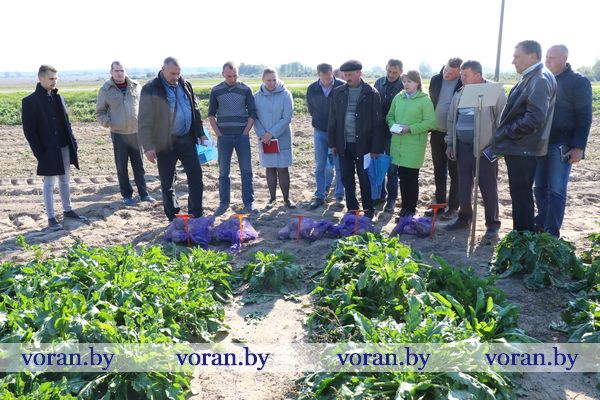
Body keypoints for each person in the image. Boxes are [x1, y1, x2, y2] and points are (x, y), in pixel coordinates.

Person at [493, 40, 557, 232]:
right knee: (521, 194)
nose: (513, 61)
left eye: (517, 56)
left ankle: (522, 235)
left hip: (523, 147)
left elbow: (535, 118)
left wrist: (508, 132)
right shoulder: (532, 77)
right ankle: (522, 233)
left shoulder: (540, 78)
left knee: (521, 194)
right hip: (521, 147)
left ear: (533, 56)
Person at [138, 57, 207, 222]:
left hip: (187, 139)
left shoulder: (186, 85)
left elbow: (195, 110)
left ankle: (196, 214)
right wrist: (148, 147)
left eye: (178, 73)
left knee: (196, 176)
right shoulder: (150, 88)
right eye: (172, 73)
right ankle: (174, 216)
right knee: (167, 182)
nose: (176, 77)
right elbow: (144, 120)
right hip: (164, 142)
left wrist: (201, 133)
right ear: (163, 69)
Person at [534, 45, 592, 237]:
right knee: (539, 187)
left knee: (556, 189)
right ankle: (542, 224)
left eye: (551, 57)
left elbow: (585, 117)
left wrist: (579, 147)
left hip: (561, 143)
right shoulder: (543, 79)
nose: (547, 61)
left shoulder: (578, 81)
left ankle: (552, 233)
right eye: (546, 57)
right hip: (541, 142)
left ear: (564, 59)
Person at [22, 65, 88, 231]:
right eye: (51, 78)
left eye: (56, 78)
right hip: (47, 150)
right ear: (41, 78)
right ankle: (51, 218)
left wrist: (73, 142)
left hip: (64, 145)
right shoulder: (30, 101)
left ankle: (68, 210)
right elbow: (30, 132)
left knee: (65, 180)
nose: (54, 81)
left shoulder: (59, 98)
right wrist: (40, 153)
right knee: (49, 184)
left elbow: (67, 123)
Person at [445, 60, 506, 233]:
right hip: (462, 147)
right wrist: (450, 143)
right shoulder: (460, 93)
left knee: (488, 186)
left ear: (478, 75)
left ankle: (492, 223)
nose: (462, 78)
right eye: (461, 75)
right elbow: (451, 119)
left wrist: (497, 147)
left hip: (485, 148)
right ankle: (464, 218)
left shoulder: (494, 91)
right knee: (463, 185)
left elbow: (503, 119)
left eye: (466, 75)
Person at [328, 60, 383, 220]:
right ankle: (352, 208)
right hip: (344, 144)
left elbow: (378, 123)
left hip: (364, 145)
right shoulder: (338, 92)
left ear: (360, 73)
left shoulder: (371, 93)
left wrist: (375, 148)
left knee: (365, 178)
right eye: (345, 75)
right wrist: (332, 143)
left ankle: (368, 209)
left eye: (350, 74)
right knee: (346, 177)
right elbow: (332, 120)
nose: (347, 78)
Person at [96, 61, 155, 205]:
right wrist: (108, 122)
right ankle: (127, 195)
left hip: (136, 132)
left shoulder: (135, 86)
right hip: (118, 133)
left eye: (122, 70)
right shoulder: (105, 89)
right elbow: (100, 111)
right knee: (122, 166)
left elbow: (144, 106)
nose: (120, 73)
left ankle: (144, 194)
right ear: (111, 72)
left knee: (139, 166)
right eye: (116, 71)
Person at [208, 62, 258, 216]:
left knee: (246, 170)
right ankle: (224, 203)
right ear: (223, 74)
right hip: (224, 137)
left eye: (235, 75)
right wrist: (218, 134)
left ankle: (249, 202)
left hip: (242, 136)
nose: (232, 79)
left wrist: (245, 132)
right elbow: (211, 115)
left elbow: (253, 113)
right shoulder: (216, 90)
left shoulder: (245, 89)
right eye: (229, 76)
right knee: (224, 172)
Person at [386, 70, 436, 218]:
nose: (406, 84)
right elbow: (389, 116)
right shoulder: (398, 97)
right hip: (398, 145)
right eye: (404, 81)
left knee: (412, 178)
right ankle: (404, 209)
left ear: (417, 83)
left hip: (414, 146)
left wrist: (410, 128)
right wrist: (393, 126)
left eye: (409, 81)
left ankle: (411, 209)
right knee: (402, 177)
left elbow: (430, 123)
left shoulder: (424, 100)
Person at [254, 68, 296, 209]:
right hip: (264, 139)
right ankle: (272, 198)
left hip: (282, 137)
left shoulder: (286, 94)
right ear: (263, 80)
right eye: (268, 80)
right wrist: (263, 135)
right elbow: (254, 118)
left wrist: (271, 133)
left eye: (274, 80)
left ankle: (286, 199)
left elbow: (287, 117)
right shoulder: (256, 97)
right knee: (270, 168)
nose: (271, 83)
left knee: (283, 169)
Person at [427, 57, 462, 219]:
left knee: (455, 173)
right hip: (436, 132)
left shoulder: (462, 83)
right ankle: (440, 204)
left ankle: (453, 207)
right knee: (438, 170)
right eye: (446, 70)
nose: (446, 74)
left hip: (455, 134)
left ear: (459, 73)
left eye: (451, 73)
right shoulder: (435, 79)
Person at [306, 63, 345, 209]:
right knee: (320, 164)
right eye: (325, 78)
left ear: (332, 73)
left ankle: (339, 196)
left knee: (339, 164)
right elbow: (311, 109)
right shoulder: (312, 88)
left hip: (338, 132)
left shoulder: (341, 86)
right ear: (318, 75)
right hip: (320, 131)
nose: (328, 81)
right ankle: (320, 195)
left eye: (330, 77)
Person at [374, 59, 404, 213]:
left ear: (401, 72)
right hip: (378, 130)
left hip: (394, 132)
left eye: (395, 72)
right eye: (389, 71)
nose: (391, 75)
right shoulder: (379, 83)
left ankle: (392, 199)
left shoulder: (403, 86)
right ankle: (379, 195)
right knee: (378, 164)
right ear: (386, 68)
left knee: (392, 168)